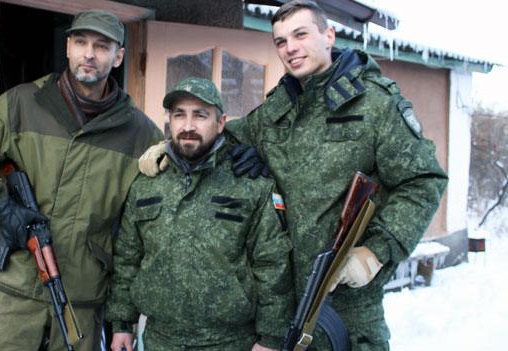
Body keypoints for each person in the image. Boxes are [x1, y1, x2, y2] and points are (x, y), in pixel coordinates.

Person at [139, 1, 448, 349]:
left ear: (328, 35)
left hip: (346, 305)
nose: (291, 48)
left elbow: (422, 183)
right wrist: (170, 148)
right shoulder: (278, 108)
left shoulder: (375, 105)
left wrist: (374, 252)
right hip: (286, 306)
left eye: (300, 35)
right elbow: (228, 134)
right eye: (281, 41)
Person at [0, 10, 162, 351]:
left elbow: (137, 235)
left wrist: (123, 320)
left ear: (118, 56)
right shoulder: (21, 103)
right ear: (68, 47)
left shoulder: (141, 134)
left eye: (102, 46)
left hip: (81, 297)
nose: (89, 53)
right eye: (81, 42)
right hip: (14, 292)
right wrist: (1, 205)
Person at [107, 78, 294, 351]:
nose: (188, 126)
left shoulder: (251, 185)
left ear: (221, 123)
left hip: (231, 342)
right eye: (179, 115)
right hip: (161, 340)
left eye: (200, 115)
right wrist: (122, 323)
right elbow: (127, 259)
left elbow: (272, 265)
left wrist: (270, 338)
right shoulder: (147, 183)